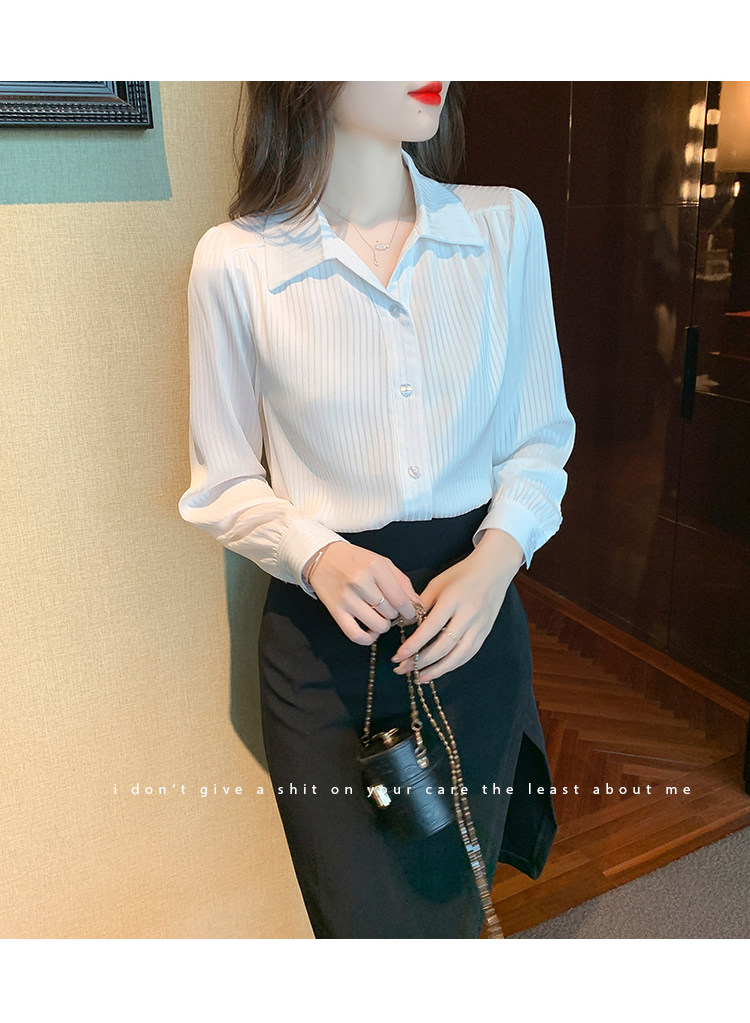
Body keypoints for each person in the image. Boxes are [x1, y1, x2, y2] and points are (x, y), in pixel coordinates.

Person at [178, 81, 576, 939]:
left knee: (457, 909)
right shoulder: (236, 261)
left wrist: (495, 560)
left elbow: (539, 439)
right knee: (362, 925)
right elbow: (223, 480)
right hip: (323, 653)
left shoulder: (504, 228)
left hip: (471, 628)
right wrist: (316, 553)